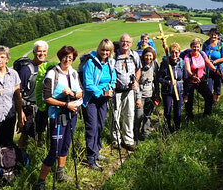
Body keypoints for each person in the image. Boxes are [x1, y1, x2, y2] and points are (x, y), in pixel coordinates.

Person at [34, 46, 83, 189]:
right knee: (54, 149)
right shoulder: (52, 74)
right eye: (65, 56)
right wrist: (65, 104)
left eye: (70, 57)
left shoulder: (74, 73)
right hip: (57, 116)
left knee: (66, 144)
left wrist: (72, 94)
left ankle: (60, 173)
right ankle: (41, 182)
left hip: (72, 114)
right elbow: (46, 98)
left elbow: (80, 93)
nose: (68, 59)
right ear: (60, 57)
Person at [82, 39, 116, 170]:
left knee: (100, 126)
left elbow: (113, 78)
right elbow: (88, 84)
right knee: (92, 128)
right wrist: (102, 92)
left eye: (107, 50)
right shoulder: (91, 63)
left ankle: (96, 151)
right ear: (98, 49)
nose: (105, 52)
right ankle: (91, 159)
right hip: (91, 100)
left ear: (111, 51)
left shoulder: (110, 63)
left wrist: (110, 89)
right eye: (103, 49)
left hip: (103, 99)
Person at [16, 40, 49, 149]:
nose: (42, 54)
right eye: (39, 51)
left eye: (44, 51)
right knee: (25, 135)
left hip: (42, 107)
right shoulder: (26, 70)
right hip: (29, 109)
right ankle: (20, 159)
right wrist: (20, 113)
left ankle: (37, 155)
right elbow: (18, 93)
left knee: (40, 133)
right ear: (34, 52)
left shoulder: (47, 67)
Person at [113, 33, 142, 151]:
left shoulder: (134, 55)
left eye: (128, 42)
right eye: (123, 41)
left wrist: (136, 80)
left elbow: (138, 69)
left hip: (129, 91)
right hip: (116, 91)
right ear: (119, 42)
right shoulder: (114, 55)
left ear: (131, 44)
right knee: (115, 116)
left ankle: (128, 140)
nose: (125, 44)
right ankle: (116, 141)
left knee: (129, 116)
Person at [184, 38, 219, 119]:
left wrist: (214, 69)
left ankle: (207, 115)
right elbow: (188, 69)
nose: (196, 49)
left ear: (200, 47)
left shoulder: (202, 54)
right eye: (194, 47)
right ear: (191, 47)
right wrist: (192, 76)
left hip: (201, 79)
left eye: (197, 47)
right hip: (190, 81)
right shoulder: (187, 56)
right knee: (189, 101)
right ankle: (189, 117)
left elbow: (208, 62)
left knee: (209, 96)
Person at [159, 43, 186, 133]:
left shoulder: (182, 63)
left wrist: (186, 93)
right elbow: (159, 78)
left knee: (177, 111)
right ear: (169, 52)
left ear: (179, 52)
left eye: (176, 52)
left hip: (179, 90)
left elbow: (185, 78)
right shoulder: (165, 63)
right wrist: (168, 82)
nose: (174, 55)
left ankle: (176, 129)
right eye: (172, 52)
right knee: (167, 111)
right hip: (167, 91)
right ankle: (167, 129)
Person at [134, 47, 159, 141]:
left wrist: (157, 94)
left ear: (153, 56)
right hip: (140, 95)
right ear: (143, 56)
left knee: (148, 115)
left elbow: (156, 81)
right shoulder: (139, 67)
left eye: (150, 56)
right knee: (138, 116)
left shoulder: (155, 65)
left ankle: (145, 133)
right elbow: (137, 83)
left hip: (151, 95)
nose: (148, 58)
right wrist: (138, 98)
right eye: (146, 55)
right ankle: (135, 134)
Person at [202, 28, 223, 102]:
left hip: (218, 69)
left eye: (215, 35)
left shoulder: (221, 45)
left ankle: (216, 101)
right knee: (208, 87)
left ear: (218, 36)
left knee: (217, 87)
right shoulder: (206, 44)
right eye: (212, 34)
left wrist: (215, 62)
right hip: (208, 70)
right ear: (209, 34)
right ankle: (210, 101)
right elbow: (202, 56)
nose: (213, 36)